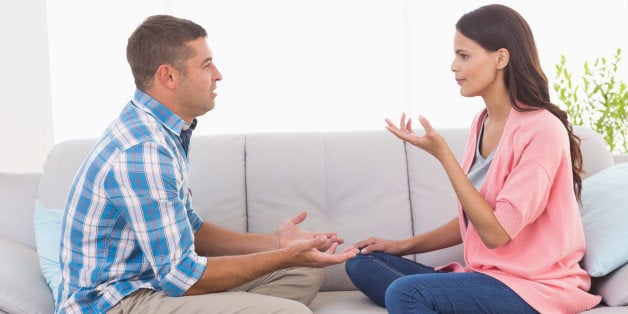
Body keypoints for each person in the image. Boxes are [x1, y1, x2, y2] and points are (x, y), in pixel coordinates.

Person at [57, 14, 359, 314]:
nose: (218, 74)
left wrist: (278, 243)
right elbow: (181, 278)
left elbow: (191, 229)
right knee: (291, 310)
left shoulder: (161, 130)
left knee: (303, 272)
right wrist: (284, 256)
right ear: (169, 77)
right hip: (113, 303)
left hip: (152, 285)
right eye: (206, 64)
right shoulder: (144, 150)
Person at [345, 4, 602, 313]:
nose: (454, 66)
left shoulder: (542, 129)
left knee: (406, 293)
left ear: (501, 58)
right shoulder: (482, 121)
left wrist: (443, 155)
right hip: (487, 278)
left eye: (464, 55)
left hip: (536, 287)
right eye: (455, 56)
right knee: (361, 262)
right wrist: (402, 246)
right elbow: (476, 219)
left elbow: (495, 233)